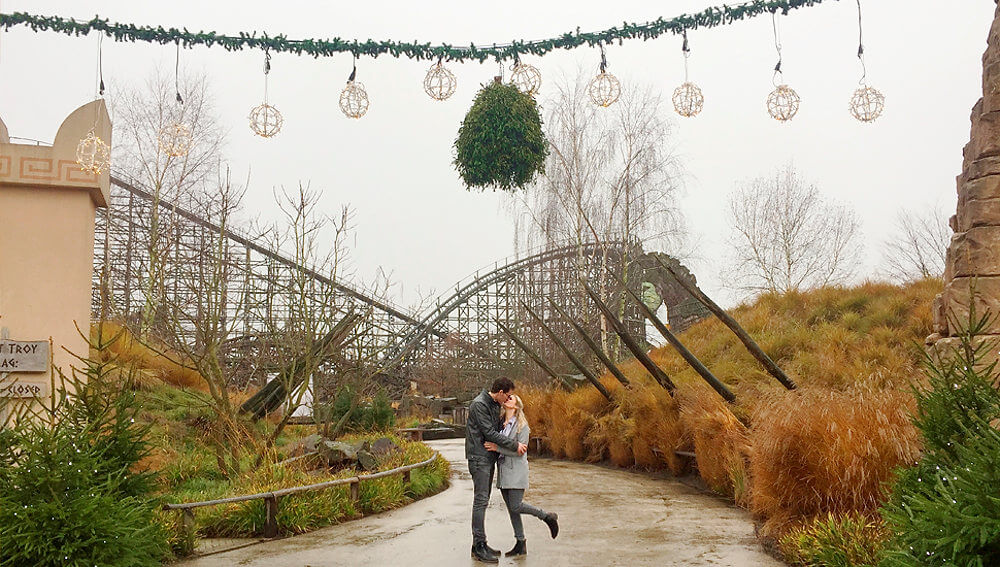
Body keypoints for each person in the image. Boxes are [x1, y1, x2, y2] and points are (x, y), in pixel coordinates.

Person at [485, 393, 559, 557]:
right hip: (504, 472)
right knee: (513, 511)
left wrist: (497, 449)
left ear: (517, 406)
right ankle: (520, 543)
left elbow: (521, 451)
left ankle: (547, 517)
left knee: (516, 506)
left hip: (516, 471)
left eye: (512, 398)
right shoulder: (501, 425)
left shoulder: (522, 426)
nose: (508, 398)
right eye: (507, 397)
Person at [465, 378, 527, 563]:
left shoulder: (492, 404)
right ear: (500, 392)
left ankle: (481, 542)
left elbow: (499, 429)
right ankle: (478, 546)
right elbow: (490, 433)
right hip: (479, 458)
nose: (507, 398)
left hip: (487, 458)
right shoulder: (479, 405)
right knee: (481, 501)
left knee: (483, 500)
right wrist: (515, 445)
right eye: (507, 395)